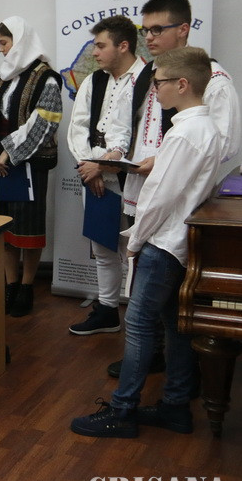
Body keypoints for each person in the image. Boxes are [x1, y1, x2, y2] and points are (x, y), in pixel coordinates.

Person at [71, 47, 221, 438]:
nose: (155, 90)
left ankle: (123, 410)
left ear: (182, 84)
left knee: (139, 325)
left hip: (163, 242)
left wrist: (135, 241)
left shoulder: (184, 133)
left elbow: (159, 198)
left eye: (159, 83)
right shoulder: (206, 128)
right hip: (179, 241)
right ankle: (175, 407)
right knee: (174, 325)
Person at [103, 0, 240, 377]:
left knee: (166, 293)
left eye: (157, 29)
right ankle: (153, 356)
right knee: (147, 290)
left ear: (183, 29)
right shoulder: (146, 74)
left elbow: (224, 144)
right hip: (141, 187)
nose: (148, 37)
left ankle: (169, 367)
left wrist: (163, 162)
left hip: (178, 202)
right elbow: (125, 122)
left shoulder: (214, 80)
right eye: (144, 30)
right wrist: (118, 150)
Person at [0, 17, 62, 317]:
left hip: (29, 163)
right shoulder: (4, 75)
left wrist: (10, 152)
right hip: (0, 161)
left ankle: (26, 286)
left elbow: (44, 123)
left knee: (28, 229)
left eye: (4, 43)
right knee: (5, 227)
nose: (1, 49)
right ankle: (10, 284)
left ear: (20, 42)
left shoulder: (47, 78)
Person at [66, 17, 144, 335]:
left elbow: (142, 136)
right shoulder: (94, 81)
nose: (95, 52)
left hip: (134, 177)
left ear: (122, 46)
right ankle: (108, 309)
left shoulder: (146, 80)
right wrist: (90, 166)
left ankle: (140, 320)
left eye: (100, 46)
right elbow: (78, 126)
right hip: (93, 171)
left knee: (134, 248)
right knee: (102, 245)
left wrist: (105, 165)